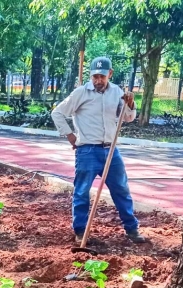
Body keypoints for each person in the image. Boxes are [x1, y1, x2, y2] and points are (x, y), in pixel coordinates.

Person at [51, 56, 147, 244]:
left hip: (111, 151)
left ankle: (132, 230)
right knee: (82, 192)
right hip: (87, 151)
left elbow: (127, 118)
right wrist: (71, 136)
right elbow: (57, 113)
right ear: (90, 75)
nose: (98, 81)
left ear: (109, 74)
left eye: (102, 77)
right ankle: (80, 232)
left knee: (121, 189)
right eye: (95, 76)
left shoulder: (117, 92)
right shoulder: (80, 93)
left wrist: (131, 104)